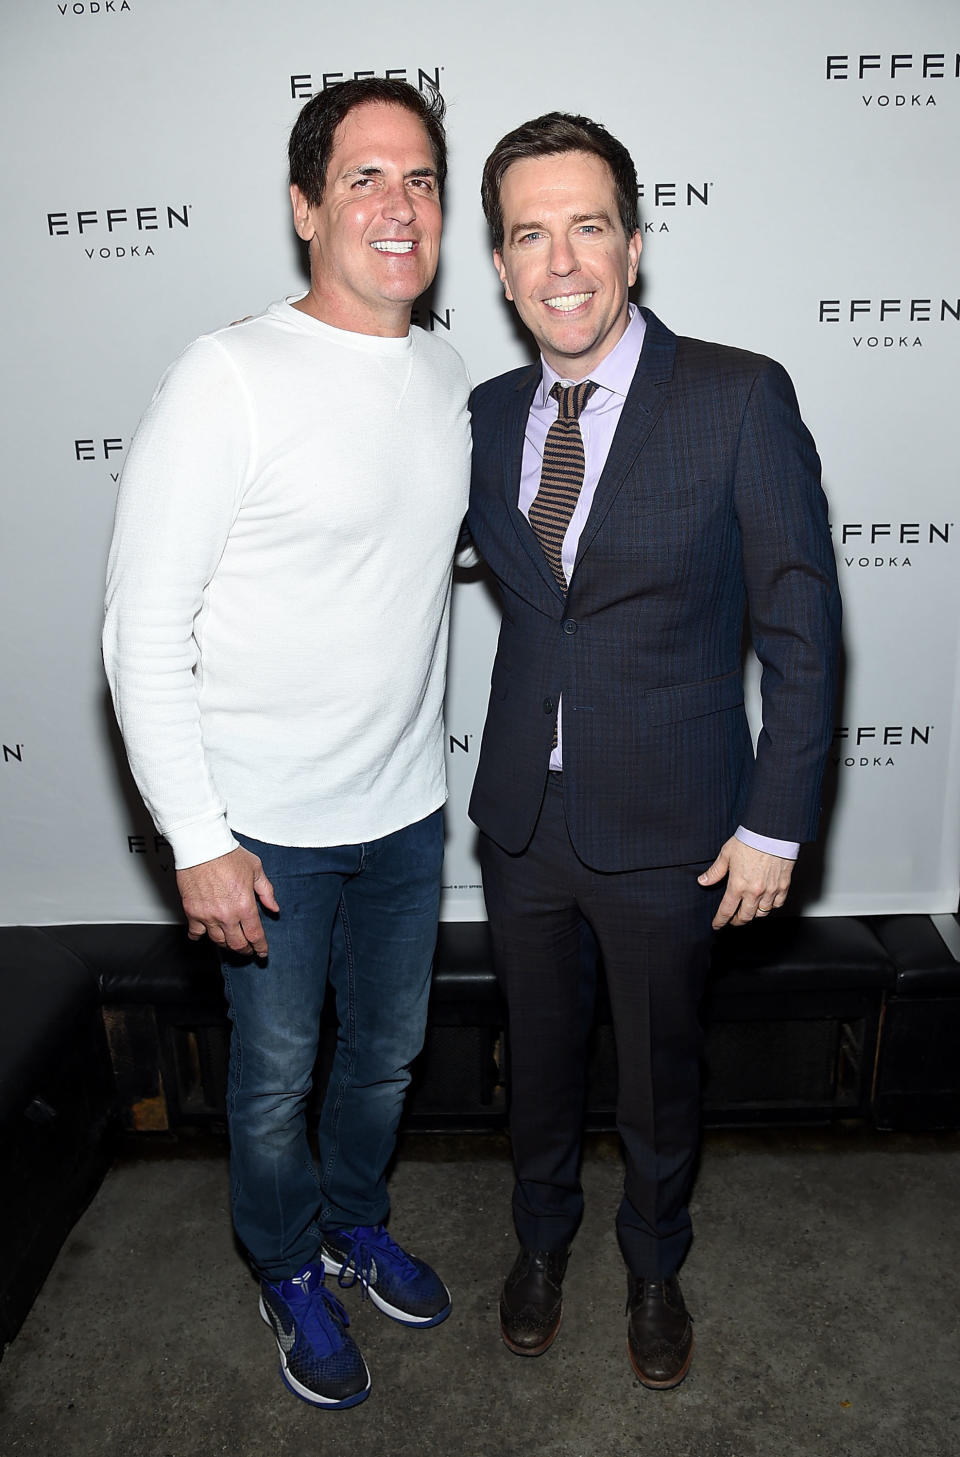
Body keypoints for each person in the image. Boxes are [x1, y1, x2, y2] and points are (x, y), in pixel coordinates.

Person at [102, 78, 471, 1410]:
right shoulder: (229, 375)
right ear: (308, 206)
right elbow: (141, 625)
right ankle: (283, 1263)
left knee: (384, 1056)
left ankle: (348, 1222)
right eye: (365, 176)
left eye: (421, 177)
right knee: (270, 1088)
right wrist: (198, 839)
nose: (398, 203)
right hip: (262, 837)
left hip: (407, 814)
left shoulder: (441, 372)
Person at [466, 112, 841, 1388]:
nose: (561, 259)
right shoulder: (483, 410)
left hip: (676, 825)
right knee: (539, 1066)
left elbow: (801, 620)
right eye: (530, 233)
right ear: (502, 262)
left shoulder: (738, 395)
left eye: (587, 226)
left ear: (633, 242)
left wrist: (777, 817)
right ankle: (540, 1239)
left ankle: (655, 1259)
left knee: (659, 1077)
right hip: (519, 816)